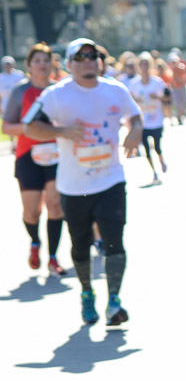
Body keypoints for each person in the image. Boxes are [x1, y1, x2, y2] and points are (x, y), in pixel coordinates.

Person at [23, 38, 142, 325]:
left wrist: (135, 131)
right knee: (80, 246)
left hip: (111, 179)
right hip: (74, 186)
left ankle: (114, 301)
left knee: (115, 241)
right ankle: (87, 293)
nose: (88, 60)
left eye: (93, 55)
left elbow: (135, 117)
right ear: (68, 63)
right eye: (81, 56)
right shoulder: (56, 95)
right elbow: (30, 126)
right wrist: (63, 131)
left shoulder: (115, 89)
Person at [2, 43, 66, 276]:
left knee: (55, 204)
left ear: (51, 64)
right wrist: (30, 129)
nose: (42, 64)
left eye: (46, 60)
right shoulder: (20, 91)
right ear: (28, 65)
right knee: (32, 212)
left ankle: (53, 257)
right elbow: (6, 125)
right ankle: (35, 242)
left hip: (56, 155)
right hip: (28, 156)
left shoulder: (59, 90)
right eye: (37, 60)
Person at [127, 52, 168, 183]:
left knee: (157, 147)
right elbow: (129, 99)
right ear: (139, 67)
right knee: (146, 148)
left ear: (150, 66)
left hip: (156, 120)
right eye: (142, 64)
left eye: (146, 64)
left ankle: (161, 159)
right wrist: (136, 100)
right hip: (142, 122)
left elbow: (168, 97)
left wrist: (158, 97)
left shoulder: (157, 82)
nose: (144, 67)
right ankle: (154, 172)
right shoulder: (134, 84)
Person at [167, 51, 186, 123]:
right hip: (175, 88)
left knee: (183, 102)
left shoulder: (181, 67)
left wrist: (184, 80)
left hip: (182, 87)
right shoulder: (170, 69)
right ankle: (179, 116)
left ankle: (182, 115)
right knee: (177, 103)